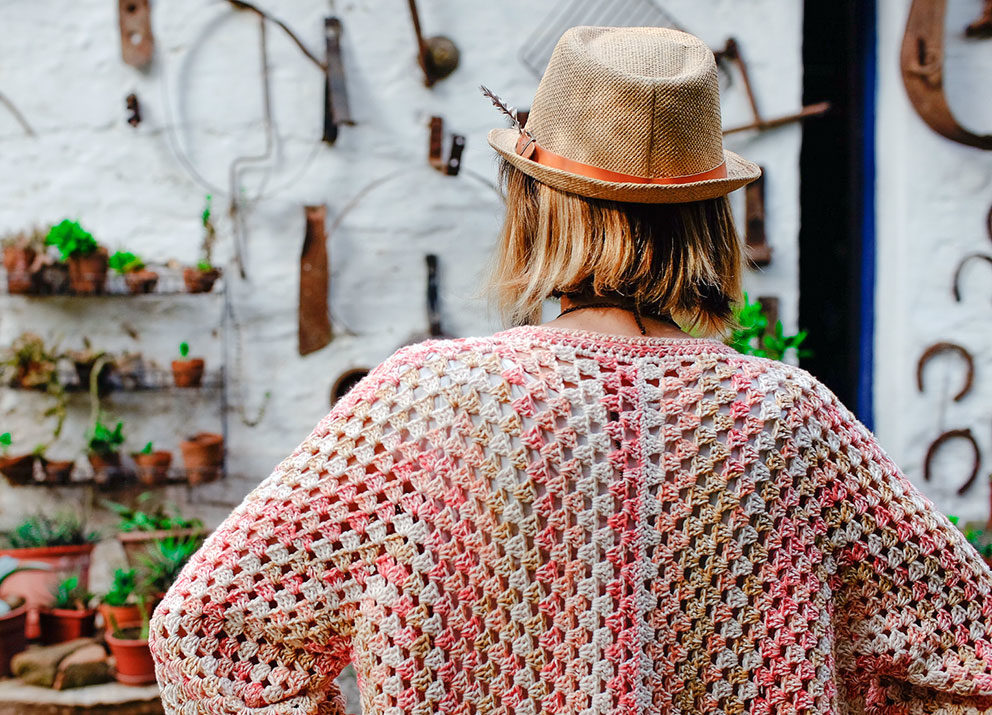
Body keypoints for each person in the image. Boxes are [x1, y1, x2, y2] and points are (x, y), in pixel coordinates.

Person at [149, 27, 992, 714]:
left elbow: (209, 633)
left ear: (533, 200)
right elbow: (968, 652)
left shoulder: (423, 403)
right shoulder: (790, 421)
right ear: (711, 217)